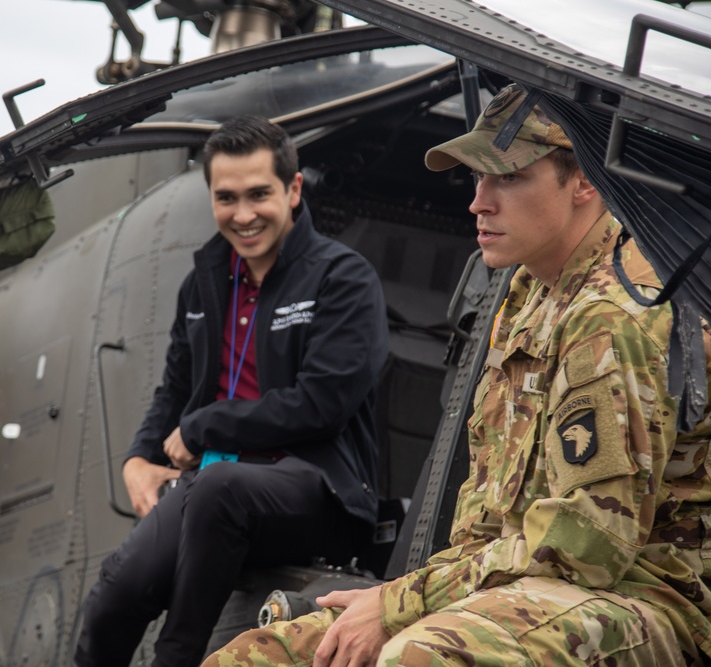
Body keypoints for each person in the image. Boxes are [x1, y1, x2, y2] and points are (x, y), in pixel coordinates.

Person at [204, 85, 711, 666]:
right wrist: (397, 601)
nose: (479, 203)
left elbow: (587, 547)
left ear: (586, 181)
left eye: (509, 178)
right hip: (523, 587)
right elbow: (486, 527)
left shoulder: (615, 311)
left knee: (420, 656)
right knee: (259, 655)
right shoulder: (527, 293)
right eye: (476, 178)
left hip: (643, 601)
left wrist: (402, 605)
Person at [74, 115, 389, 667]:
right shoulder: (204, 281)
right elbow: (175, 384)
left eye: (259, 194)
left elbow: (323, 405)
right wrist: (139, 458)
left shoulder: (343, 277)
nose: (243, 215)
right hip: (211, 488)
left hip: (319, 491)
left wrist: (203, 427)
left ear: (293, 191)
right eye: (226, 198)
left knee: (220, 487)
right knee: (114, 595)